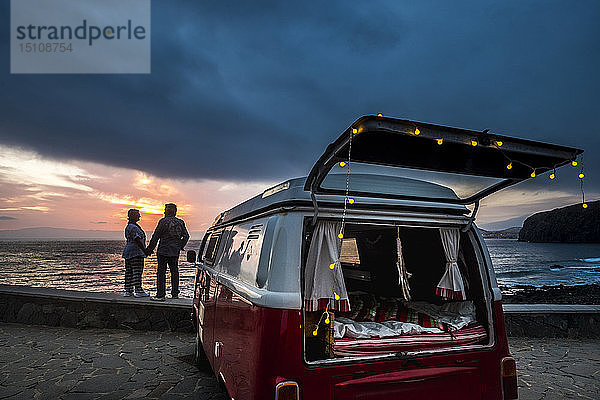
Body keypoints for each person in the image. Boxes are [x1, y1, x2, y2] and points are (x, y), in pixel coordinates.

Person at [147, 203, 190, 301]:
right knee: (174, 272)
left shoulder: (163, 222)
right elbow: (186, 236)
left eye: (165, 209)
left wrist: (149, 249)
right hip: (175, 251)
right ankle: (175, 294)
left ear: (166, 211)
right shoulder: (180, 222)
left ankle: (161, 295)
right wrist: (180, 246)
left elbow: (156, 236)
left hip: (163, 250)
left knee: (161, 272)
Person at [121, 209, 151, 297]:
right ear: (133, 216)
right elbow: (137, 239)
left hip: (128, 251)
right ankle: (138, 290)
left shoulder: (129, 226)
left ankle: (128, 290)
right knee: (137, 271)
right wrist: (145, 250)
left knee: (129, 271)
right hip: (136, 251)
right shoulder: (133, 227)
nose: (139, 216)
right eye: (138, 215)